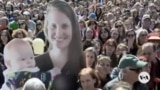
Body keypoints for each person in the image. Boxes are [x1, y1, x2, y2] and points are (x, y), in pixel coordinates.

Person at [35, 0, 85, 90]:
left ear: (73, 28)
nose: (58, 33)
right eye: (53, 26)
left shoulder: (82, 62)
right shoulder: (35, 64)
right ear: (46, 29)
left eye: (64, 26)